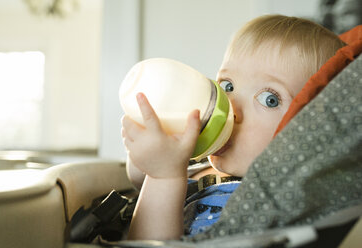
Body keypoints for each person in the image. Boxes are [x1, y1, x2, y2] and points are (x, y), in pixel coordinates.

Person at [121, 14, 346, 240]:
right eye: (228, 85)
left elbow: (149, 242)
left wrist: (164, 178)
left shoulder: (266, 201)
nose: (231, 107)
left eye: (270, 99)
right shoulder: (200, 164)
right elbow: (139, 181)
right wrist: (148, 157)